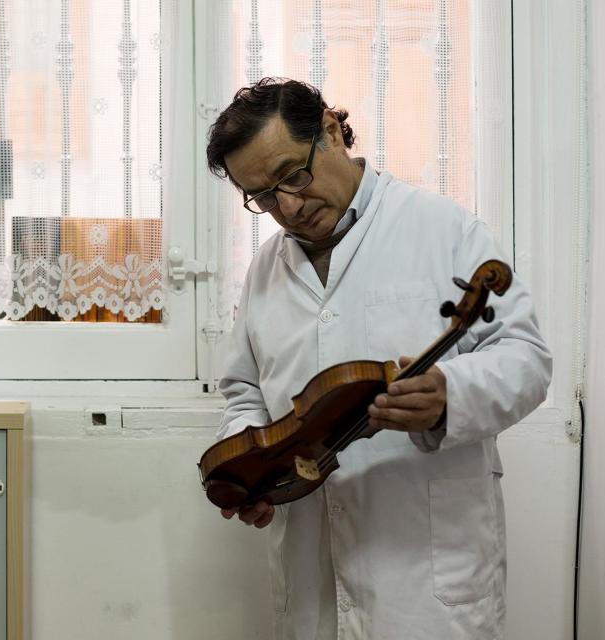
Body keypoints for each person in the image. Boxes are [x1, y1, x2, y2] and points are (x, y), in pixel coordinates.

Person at [206, 77, 551, 640]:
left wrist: (450, 395)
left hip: (428, 578)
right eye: (264, 197)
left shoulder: (443, 228)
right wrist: (256, 467)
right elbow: (243, 390)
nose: (288, 206)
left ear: (330, 130)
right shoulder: (265, 269)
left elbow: (527, 359)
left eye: (293, 174)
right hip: (311, 569)